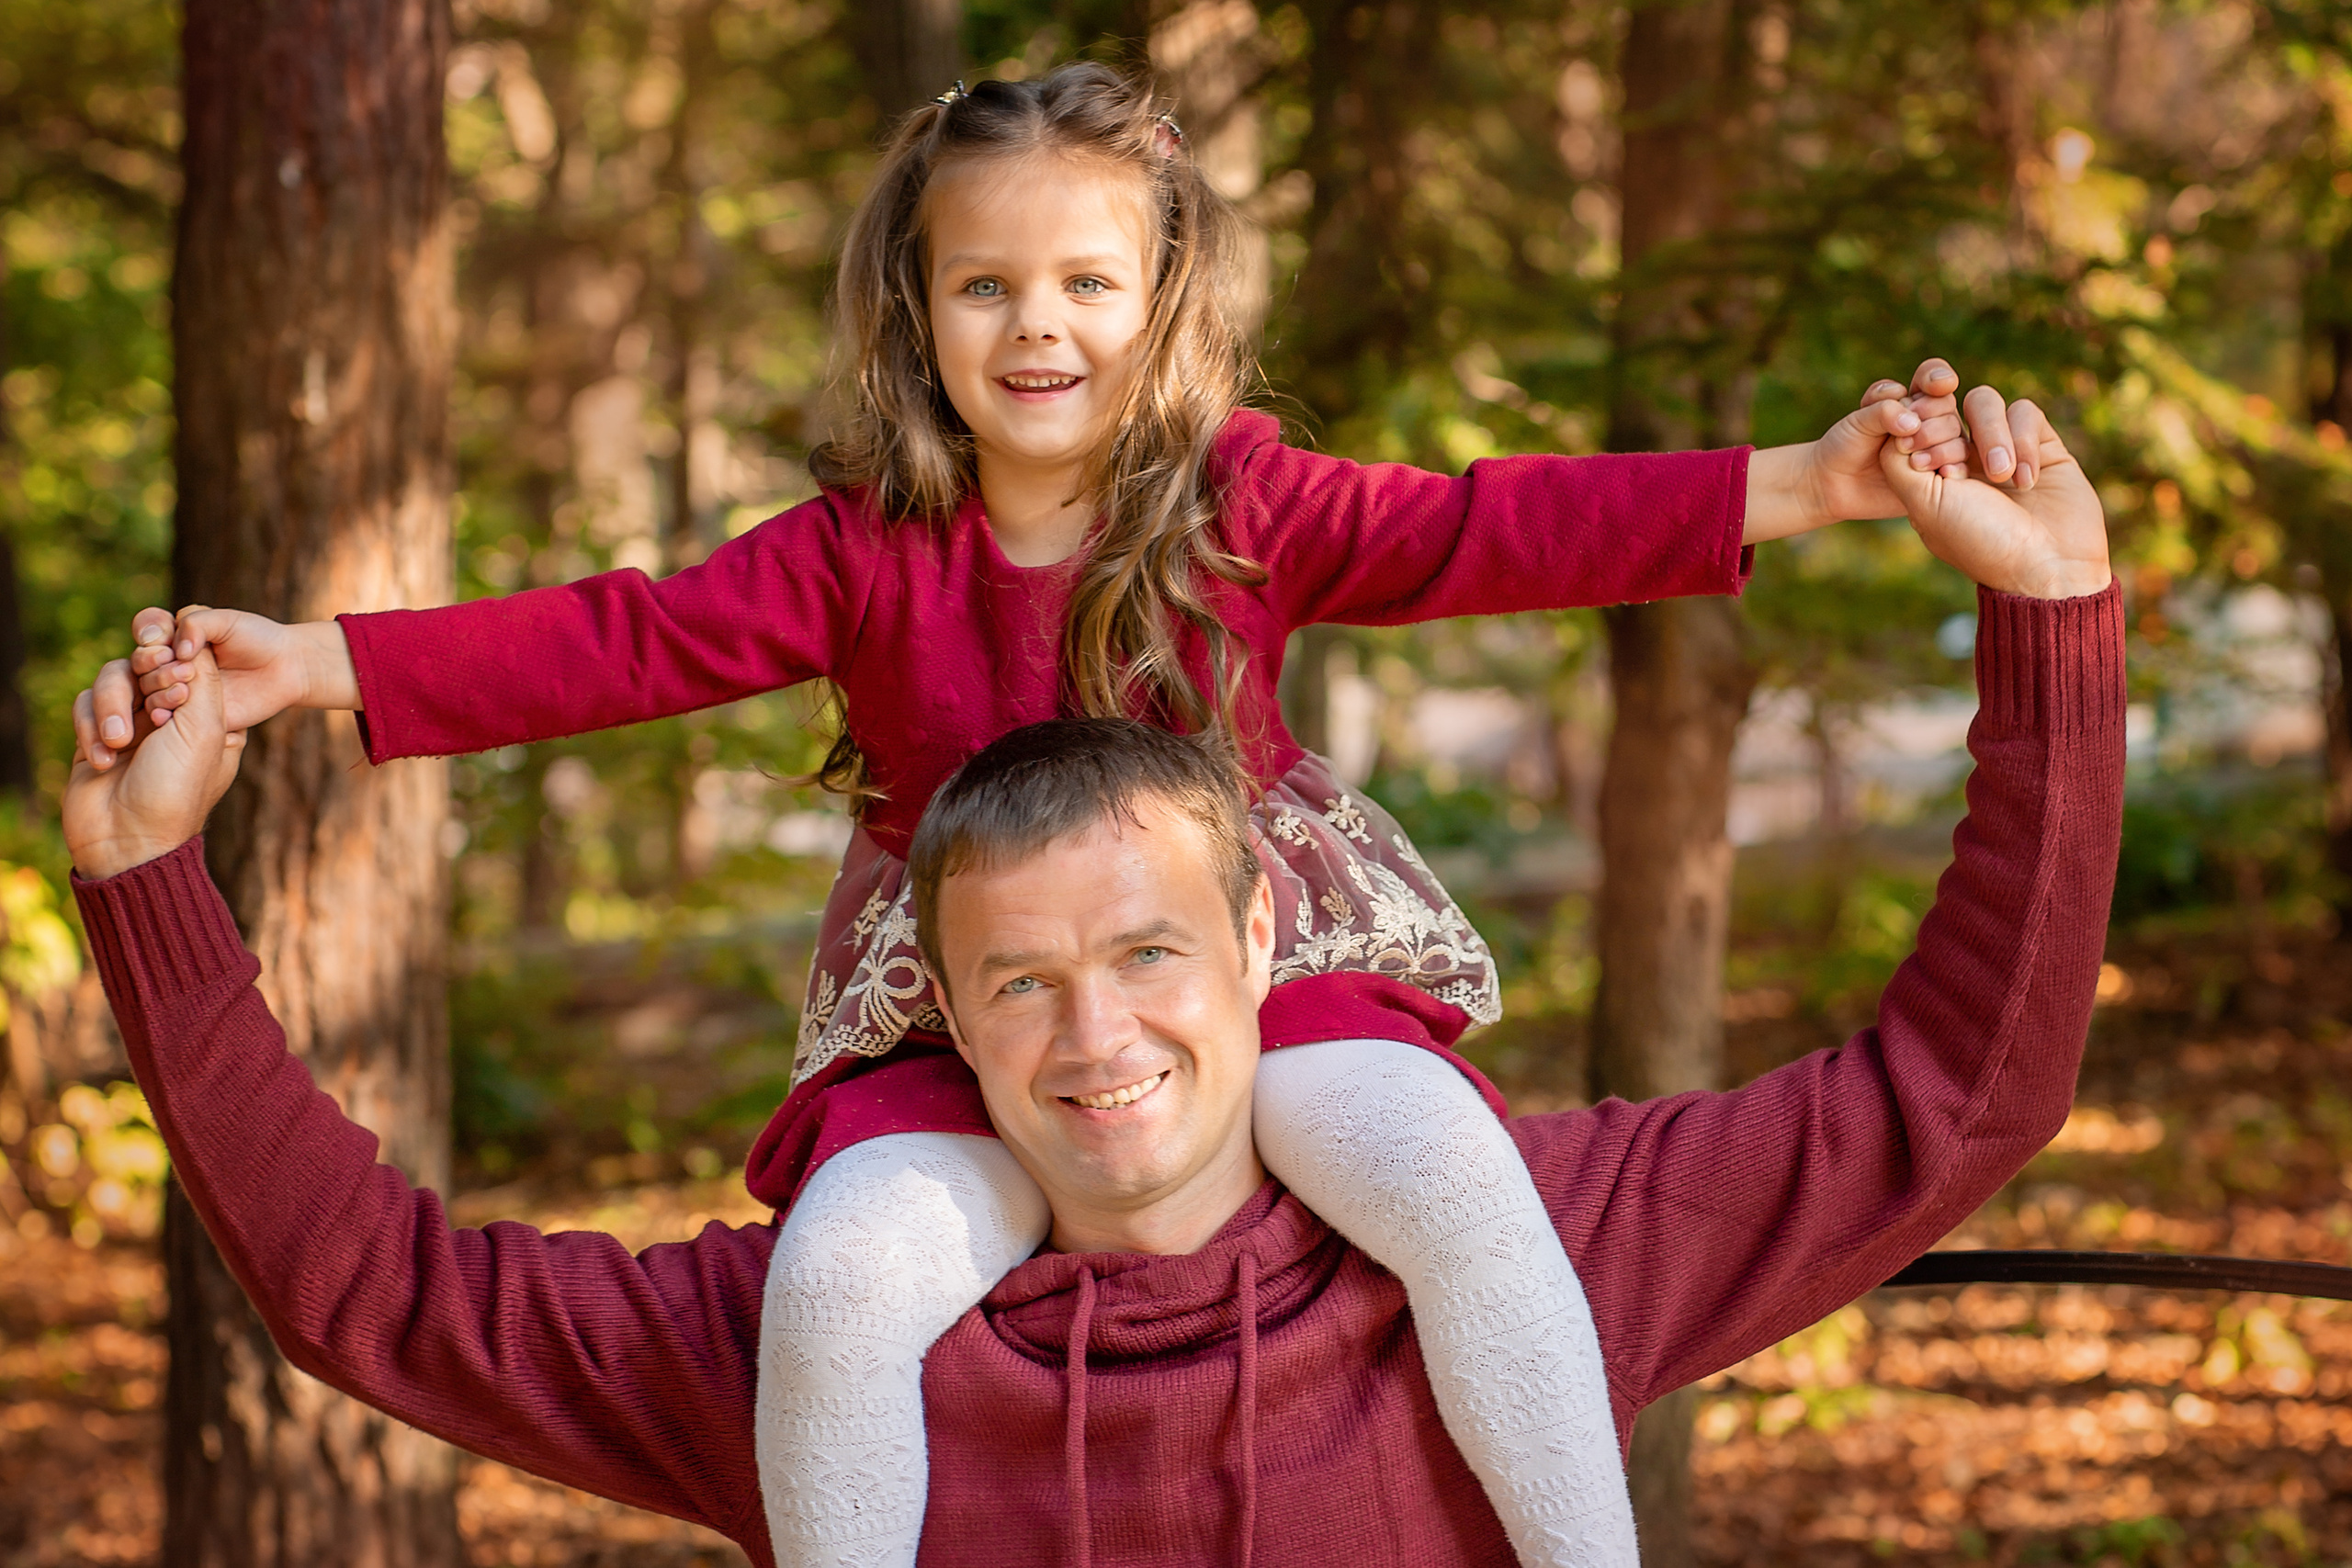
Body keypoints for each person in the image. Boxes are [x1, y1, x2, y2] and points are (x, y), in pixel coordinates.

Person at [77, 65, 2024, 1568]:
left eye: (1087, 279)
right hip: (962, 1013)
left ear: (1159, 292)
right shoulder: (860, 550)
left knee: (1451, 1181)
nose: (1039, 326)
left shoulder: (1240, 497)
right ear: (912, 305)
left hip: (1267, 970)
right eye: (984, 281)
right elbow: (617, 641)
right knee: (840, 1277)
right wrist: (311, 664)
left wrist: (1809, 481)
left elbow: (1485, 522)